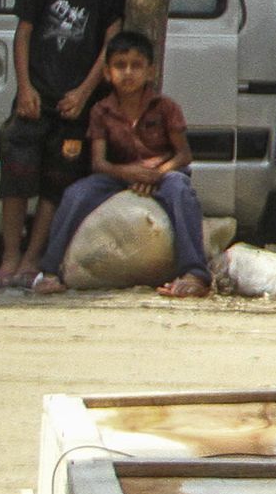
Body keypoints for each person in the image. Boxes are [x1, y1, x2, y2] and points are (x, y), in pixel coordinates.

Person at [0, 0, 128, 286]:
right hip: (35, 99)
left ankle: (34, 258)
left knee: (57, 182)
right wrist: (24, 88)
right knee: (16, 177)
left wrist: (84, 94)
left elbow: (110, 44)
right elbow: (23, 35)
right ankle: (9, 257)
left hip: (76, 106)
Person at [30, 29, 209, 296]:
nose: (128, 73)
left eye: (136, 66)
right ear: (107, 73)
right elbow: (99, 163)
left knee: (181, 189)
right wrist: (128, 173)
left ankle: (195, 273)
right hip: (118, 174)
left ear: (151, 71)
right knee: (75, 194)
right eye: (120, 66)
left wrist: (155, 174)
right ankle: (51, 271)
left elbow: (183, 155)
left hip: (162, 173)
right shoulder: (101, 110)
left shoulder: (165, 107)